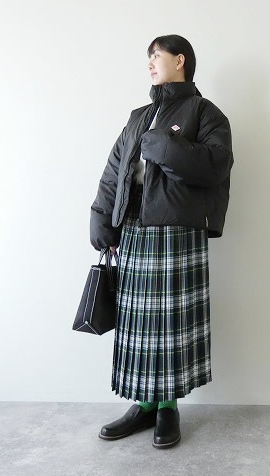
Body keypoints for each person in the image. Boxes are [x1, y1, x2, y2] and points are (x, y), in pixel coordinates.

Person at [89, 34, 234, 449]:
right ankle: (144, 405)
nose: (150, 63)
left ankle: (168, 407)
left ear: (180, 60)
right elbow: (115, 169)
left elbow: (216, 165)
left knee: (170, 325)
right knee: (137, 324)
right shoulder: (139, 116)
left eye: (157, 55)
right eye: (149, 58)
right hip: (133, 227)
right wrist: (102, 217)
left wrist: (163, 145)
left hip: (177, 230)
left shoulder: (205, 113)